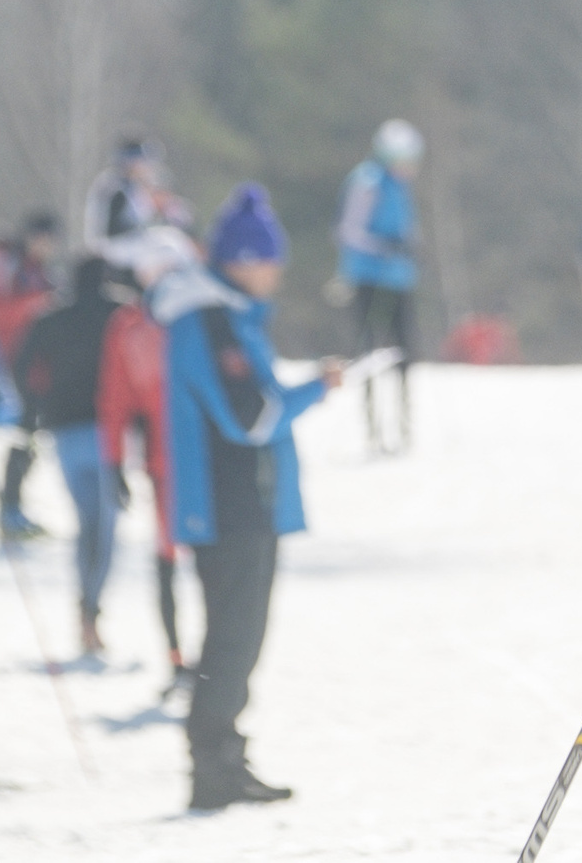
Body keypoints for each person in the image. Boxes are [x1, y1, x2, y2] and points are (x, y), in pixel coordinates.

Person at [150, 184, 341, 810]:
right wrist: (312, 391)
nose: (277, 271)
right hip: (226, 503)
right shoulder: (207, 318)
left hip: (246, 501)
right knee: (231, 638)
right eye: (268, 258)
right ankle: (211, 766)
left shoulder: (226, 314)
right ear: (239, 259)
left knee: (243, 636)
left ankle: (226, 755)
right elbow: (249, 416)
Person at [16, 254, 122, 657]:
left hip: (63, 430)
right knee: (105, 527)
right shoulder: (119, 313)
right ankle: (91, 609)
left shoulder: (49, 318)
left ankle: (86, 610)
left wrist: (35, 406)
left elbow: (21, 362)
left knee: (85, 523)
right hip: (106, 428)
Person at [99, 264, 186, 696]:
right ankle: (177, 660)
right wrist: (114, 461)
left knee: (215, 565)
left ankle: (214, 664)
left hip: (207, 463)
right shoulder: (128, 326)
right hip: (161, 466)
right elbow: (116, 396)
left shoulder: (196, 315)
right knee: (167, 562)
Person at [336, 118, 421, 453]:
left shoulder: (402, 187)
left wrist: (412, 248)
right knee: (372, 352)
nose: (410, 167)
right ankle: (372, 429)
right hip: (370, 278)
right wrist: (383, 246)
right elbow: (348, 231)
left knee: (404, 353)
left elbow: (408, 229)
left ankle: (403, 427)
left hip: (400, 279)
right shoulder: (367, 181)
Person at [0, 210, 61, 540]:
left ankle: (13, 505)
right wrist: (41, 302)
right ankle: (8, 508)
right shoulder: (8, 259)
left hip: (36, 364)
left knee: (31, 435)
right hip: (10, 358)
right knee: (21, 432)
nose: (48, 248)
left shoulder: (37, 270)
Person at [82, 135, 190, 288]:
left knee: (174, 242)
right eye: (143, 161)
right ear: (130, 161)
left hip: (121, 245)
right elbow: (112, 229)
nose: (148, 166)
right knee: (170, 246)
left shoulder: (131, 186)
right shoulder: (114, 186)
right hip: (108, 248)